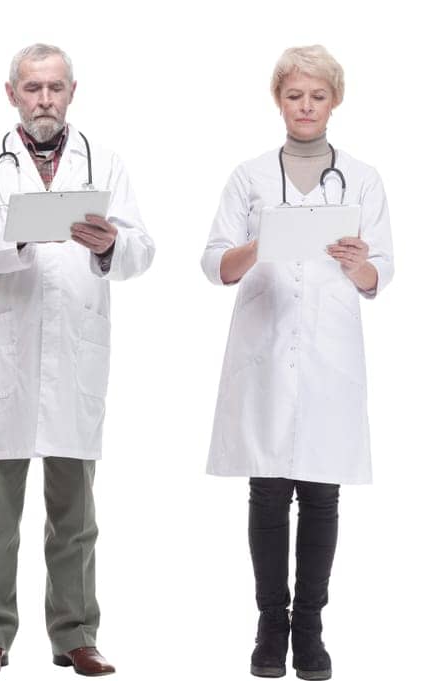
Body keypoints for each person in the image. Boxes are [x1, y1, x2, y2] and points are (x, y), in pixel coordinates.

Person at [0, 43, 154, 678]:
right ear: (11, 95)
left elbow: (142, 250)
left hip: (75, 359)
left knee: (76, 519)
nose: (44, 100)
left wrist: (112, 243)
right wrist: (18, 232)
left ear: (72, 92)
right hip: (6, 359)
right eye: (32, 88)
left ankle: (76, 634)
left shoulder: (104, 162)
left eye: (55, 88)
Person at [200, 45, 391, 681]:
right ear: (277, 100)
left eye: (316, 96)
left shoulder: (361, 178)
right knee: (267, 490)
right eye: (293, 96)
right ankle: (268, 625)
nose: (305, 107)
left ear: (334, 101)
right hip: (263, 346)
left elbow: (379, 271)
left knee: (321, 493)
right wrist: (262, 242)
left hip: (331, 353)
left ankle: (308, 627)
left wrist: (358, 262)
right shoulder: (249, 176)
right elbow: (216, 265)